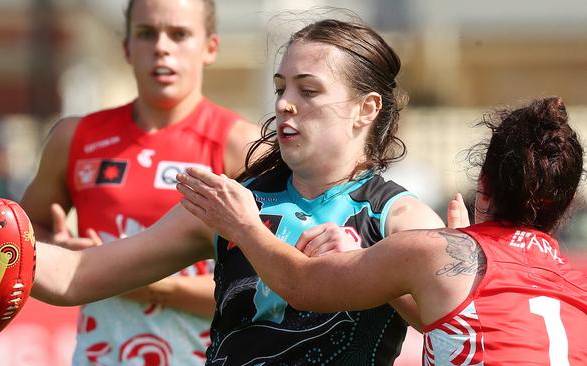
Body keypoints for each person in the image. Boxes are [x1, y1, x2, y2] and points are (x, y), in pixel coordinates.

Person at [180, 96, 587, 364]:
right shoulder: (578, 287)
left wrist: (244, 224)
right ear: (567, 205)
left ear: (482, 183)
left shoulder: (436, 252)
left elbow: (299, 284)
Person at [19, 0, 259, 364]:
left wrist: (146, 284)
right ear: (127, 47)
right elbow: (22, 236)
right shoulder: (74, 138)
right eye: (147, 34)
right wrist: (63, 251)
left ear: (210, 47)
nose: (161, 47)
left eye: (179, 34)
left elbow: (266, 284)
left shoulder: (242, 147)